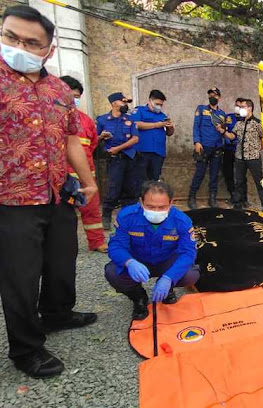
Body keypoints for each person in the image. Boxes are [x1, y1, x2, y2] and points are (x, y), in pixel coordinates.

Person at [0, 5, 98, 378]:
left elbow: (71, 139)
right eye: (11, 37)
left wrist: (88, 181)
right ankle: (26, 348)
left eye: (31, 42)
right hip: (11, 198)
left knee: (62, 258)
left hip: (57, 191)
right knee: (20, 275)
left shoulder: (59, 89)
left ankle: (57, 313)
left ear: (48, 49)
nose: (19, 47)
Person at [105, 181, 200, 320]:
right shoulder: (127, 216)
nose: (156, 211)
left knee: (191, 274)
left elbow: (188, 252)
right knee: (113, 272)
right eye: (150, 206)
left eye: (162, 207)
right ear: (141, 202)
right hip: (138, 261)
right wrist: (129, 262)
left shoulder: (181, 220)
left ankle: (167, 289)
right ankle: (138, 297)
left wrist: (169, 277)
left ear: (171, 203)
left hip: (166, 261)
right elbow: (116, 245)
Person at [59, 75, 108, 253]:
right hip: (61, 177)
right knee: (61, 214)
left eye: (77, 97)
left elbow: (92, 144)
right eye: (70, 95)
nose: (74, 100)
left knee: (91, 209)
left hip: (86, 175)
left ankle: (97, 242)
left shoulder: (86, 120)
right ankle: (60, 246)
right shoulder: (50, 118)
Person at [97, 92, 141, 230]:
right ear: (114, 103)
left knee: (131, 190)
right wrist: (101, 137)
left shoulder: (130, 119)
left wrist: (118, 148)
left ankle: (128, 220)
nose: (125, 105)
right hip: (114, 160)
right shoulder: (102, 120)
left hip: (130, 158)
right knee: (113, 189)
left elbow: (135, 138)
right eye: (123, 102)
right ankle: (106, 216)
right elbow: (94, 139)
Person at [219, 99, 263, 212]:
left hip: (253, 157)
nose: (240, 109)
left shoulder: (257, 123)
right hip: (239, 157)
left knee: (259, 181)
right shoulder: (239, 123)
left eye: (243, 107)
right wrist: (223, 132)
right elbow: (232, 136)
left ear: (250, 108)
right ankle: (238, 204)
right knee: (239, 181)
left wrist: (257, 149)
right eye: (239, 107)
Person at [188, 87, 226, 210]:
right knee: (199, 173)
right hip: (203, 147)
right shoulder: (201, 109)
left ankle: (212, 198)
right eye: (210, 95)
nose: (212, 97)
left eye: (215, 95)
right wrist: (197, 141)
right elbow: (196, 126)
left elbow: (224, 131)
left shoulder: (222, 114)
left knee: (214, 175)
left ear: (219, 97)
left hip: (217, 147)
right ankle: (192, 197)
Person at [130, 89, 174, 181]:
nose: (159, 107)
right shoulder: (139, 111)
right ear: (150, 101)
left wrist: (170, 127)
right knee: (140, 179)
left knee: (154, 180)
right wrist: (156, 125)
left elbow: (169, 133)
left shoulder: (162, 115)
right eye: (157, 104)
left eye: (161, 105)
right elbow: (135, 124)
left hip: (158, 152)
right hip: (142, 151)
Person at [221, 98, 244, 202]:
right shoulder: (228, 117)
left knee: (241, 175)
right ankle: (233, 194)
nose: (238, 108)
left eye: (240, 106)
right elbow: (223, 130)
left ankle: (242, 197)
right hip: (228, 150)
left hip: (240, 151)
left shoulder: (245, 119)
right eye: (237, 105)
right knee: (228, 173)